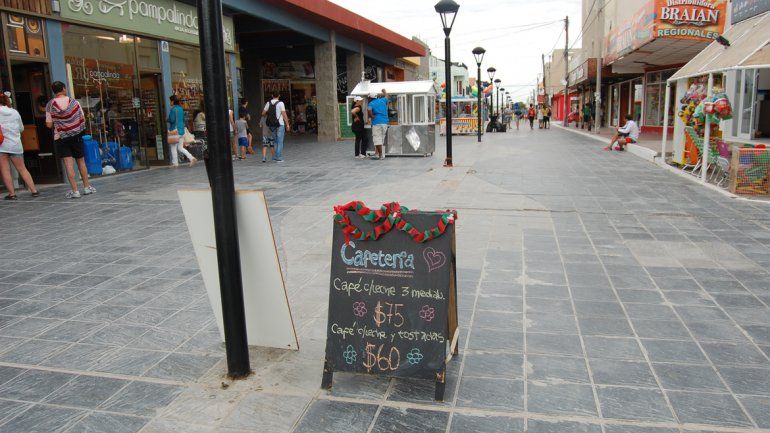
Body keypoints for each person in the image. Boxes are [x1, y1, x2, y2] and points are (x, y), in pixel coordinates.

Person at [45, 81, 95, 199]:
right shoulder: (74, 102)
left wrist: (60, 122)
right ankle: (87, 187)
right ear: (63, 89)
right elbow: (82, 118)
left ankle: (75, 191)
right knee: (81, 162)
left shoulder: (50, 105)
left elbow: (48, 124)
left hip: (61, 137)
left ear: (54, 91)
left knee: (68, 164)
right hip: (76, 136)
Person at [0, 92, 39, 200]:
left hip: (2, 145)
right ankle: (34, 190)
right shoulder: (14, 112)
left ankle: (12, 194)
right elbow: (21, 128)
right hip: (15, 144)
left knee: (5, 170)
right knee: (22, 168)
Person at [167, 95, 197, 167]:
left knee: (173, 147)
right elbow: (183, 119)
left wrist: (167, 119)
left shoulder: (173, 109)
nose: (170, 102)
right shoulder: (180, 109)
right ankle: (192, 158)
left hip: (175, 131)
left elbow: (172, 120)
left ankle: (175, 163)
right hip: (181, 130)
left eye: (170, 101)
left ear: (173, 101)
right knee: (180, 147)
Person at [262, 91, 290, 162]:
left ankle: (274, 157)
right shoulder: (281, 103)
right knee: (280, 141)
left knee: (275, 141)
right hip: (280, 124)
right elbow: (284, 114)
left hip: (271, 125)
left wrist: (268, 115)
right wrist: (287, 124)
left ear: (272, 95)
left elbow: (263, 113)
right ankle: (279, 157)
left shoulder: (268, 103)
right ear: (279, 95)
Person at [368, 90, 389, 160]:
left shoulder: (371, 103)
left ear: (371, 98)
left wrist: (372, 116)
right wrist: (384, 91)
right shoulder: (383, 100)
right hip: (385, 122)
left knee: (377, 139)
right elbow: (387, 96)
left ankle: (380, 155)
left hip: (376, 123)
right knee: (382, 138)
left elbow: (369, 111)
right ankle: (380, 154)